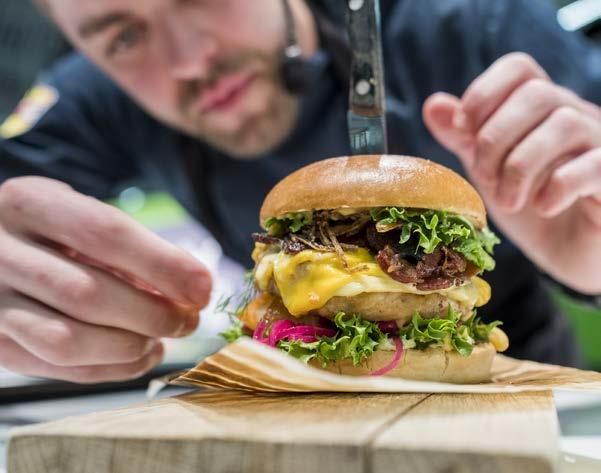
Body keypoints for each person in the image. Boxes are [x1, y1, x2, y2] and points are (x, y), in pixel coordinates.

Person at [0, 0, 599, 383]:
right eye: (122, 38)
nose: (189, 61)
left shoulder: (478, 20)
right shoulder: (97, 96)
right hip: (295, 384)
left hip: (522, 372)